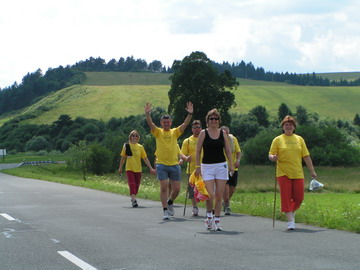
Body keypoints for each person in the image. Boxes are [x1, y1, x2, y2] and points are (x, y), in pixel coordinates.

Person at [144, 101, 193, 220]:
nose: (166, 124)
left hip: (174, 164)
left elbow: (184, 125)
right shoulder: (158, 132)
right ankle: (165, 210)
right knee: (164, 186)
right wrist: (147, 114)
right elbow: (151, 125)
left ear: (171, 122)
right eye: (164, 122)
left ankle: (170, 202)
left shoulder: (174, 132)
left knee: (176, 189)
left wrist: (190, 114)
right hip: (161, 164)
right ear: (161, 123)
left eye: (168, 122)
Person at [269, 115, 317, 230]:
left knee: (299, 198)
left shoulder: (299, 139)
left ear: (294, 127)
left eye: (291, 125)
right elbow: (271, 154)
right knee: (286, 197)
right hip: (283, 172)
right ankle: (290, 221)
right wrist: (273, 157)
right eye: (286, 125)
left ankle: (290, 212)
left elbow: (306, 156)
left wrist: (312, 171)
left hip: (297, 172)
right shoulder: (278, 139)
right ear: (283, 127)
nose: (288, 126)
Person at [195, 109, 234, 231]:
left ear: (219, 121)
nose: (214, 121)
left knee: (219, 195)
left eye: (216, 119)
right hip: (207, 166)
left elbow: (228, 150)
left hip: (221, 165)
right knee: (209, 194)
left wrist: (231, 165)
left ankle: (217, 220)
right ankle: (209, 215)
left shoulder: (222, 133)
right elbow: (198, 151)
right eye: (211, 119)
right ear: (207, 121)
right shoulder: (203, 133)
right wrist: (197, 167)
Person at [118, 130, 156, 207]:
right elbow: (123, 158)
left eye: (136, 135)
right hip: (129, 168)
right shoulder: (127, 146)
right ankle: (134, 200)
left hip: (138, 169)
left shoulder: (140, 147)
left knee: (137, 186)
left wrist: (151, 168)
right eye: (133, 135)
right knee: (132, 184)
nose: (134, 137)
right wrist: (120, 167)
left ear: (138, 137)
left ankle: (133, 197)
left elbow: (145, 158)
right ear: (130, 137)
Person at [180, 120, 202, 216]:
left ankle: (210, 208)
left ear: (201, 128)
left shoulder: (205, 139)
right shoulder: (187, 141)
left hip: (205, 168)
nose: (197, 129)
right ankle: (194, 207)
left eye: (198, 127)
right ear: (192, 129)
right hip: (192, 169)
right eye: (195, 128)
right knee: (192, 189)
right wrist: (184, 159)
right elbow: (182, 153)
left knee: (206, 188)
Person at [220, 126, 241, 215]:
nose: (226, 135)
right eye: (224, 133)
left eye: (227, 133)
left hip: (233, 168)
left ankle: (224, 202)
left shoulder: (233, 139)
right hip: (223, 168)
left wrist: (238, 160)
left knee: (232, 189)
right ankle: (227, 205)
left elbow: (238, 152)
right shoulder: (218, 141)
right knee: (226, 189)